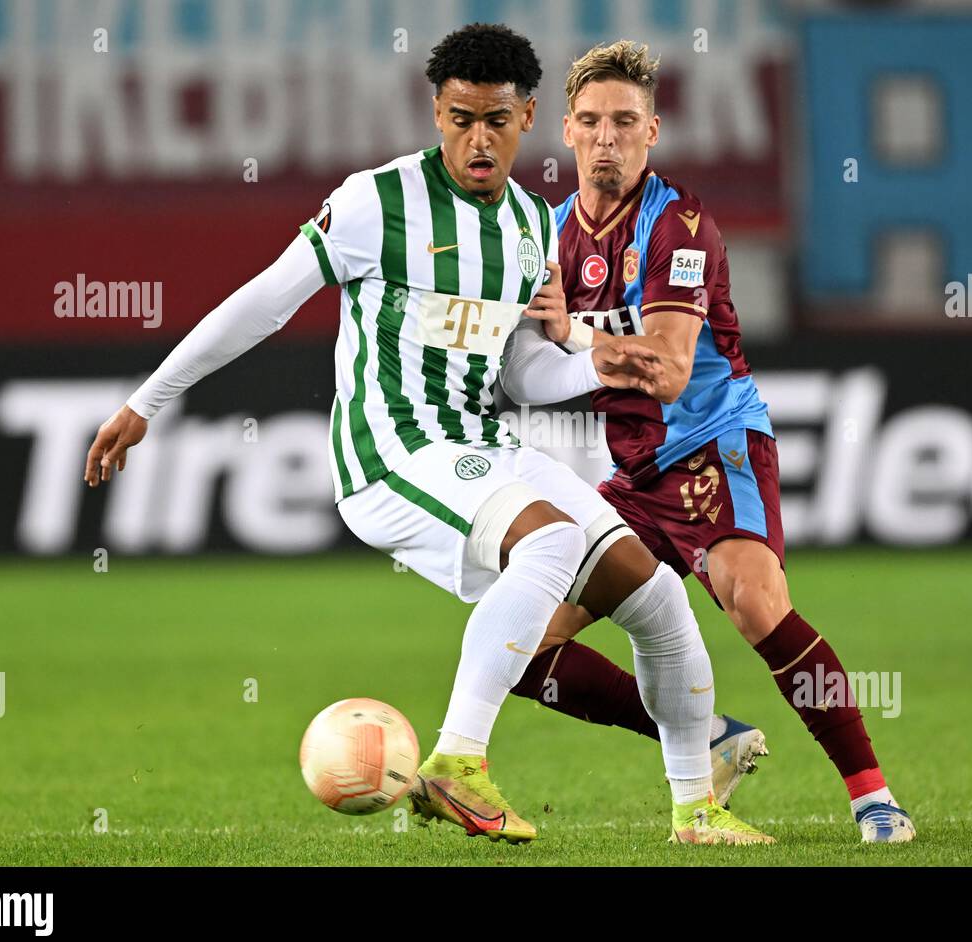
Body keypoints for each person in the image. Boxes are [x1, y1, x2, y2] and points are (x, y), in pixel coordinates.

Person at [82, 24, 772, 846]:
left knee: (656, 595)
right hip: (391, 454)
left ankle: (696, 810)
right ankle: (457, 763)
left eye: (496, 121)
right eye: (458, 119)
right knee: (548, 547)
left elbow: (522, 377)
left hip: (479, 444)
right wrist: (150, 400)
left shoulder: (526, 225)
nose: (476, 140)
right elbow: (265, 301)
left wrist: (598, 361)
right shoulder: (377, 202)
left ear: (527, 120)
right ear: (436, 112)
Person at [503, 40, 915, 844]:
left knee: (756, 603)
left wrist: (572, 330)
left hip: (713, 449)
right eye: (590, 121)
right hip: (634, 478)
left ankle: (874, 798)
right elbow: (519, 358)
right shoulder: (546, 237)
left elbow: (665, 370)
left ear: (652, 132)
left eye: (625, 121)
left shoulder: (679, 226)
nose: (606, 138)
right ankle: (705, 738)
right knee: (518, 643)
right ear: (566, 131)